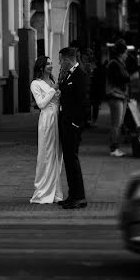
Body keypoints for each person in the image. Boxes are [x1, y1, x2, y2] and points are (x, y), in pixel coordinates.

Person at [29, 55, 64, 204]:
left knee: (57, 155)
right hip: (47, 120)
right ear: (41, 67)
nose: (51, 66)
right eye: (48, 64)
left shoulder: (53, 80)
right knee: (47, 154)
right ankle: (43, 191)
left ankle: (55, 190)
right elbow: (41, 104)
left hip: (57, 118)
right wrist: (54, 89)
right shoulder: (35, 84)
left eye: (51, 63)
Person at [57, 46, 89, 209]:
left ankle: (79, 197)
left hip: (73, 125)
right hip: (66, 122)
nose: (59, 63)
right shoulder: (68, 74)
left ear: (68, 60)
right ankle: (73, 195)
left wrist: (77, 123)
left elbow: (83, 102)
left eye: (61, 60)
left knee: (72, 159)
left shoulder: (79, 75)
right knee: (68, 161)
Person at [104, 40, 131, 157]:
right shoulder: (115, 64)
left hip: (119, 96)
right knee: (116, 123)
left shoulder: (117, 63)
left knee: (117, 123)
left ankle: (115, 147)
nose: (127, 55)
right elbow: (118, 80)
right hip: (116, 96)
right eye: (126, 53)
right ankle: (114, 148)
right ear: (122, 52)